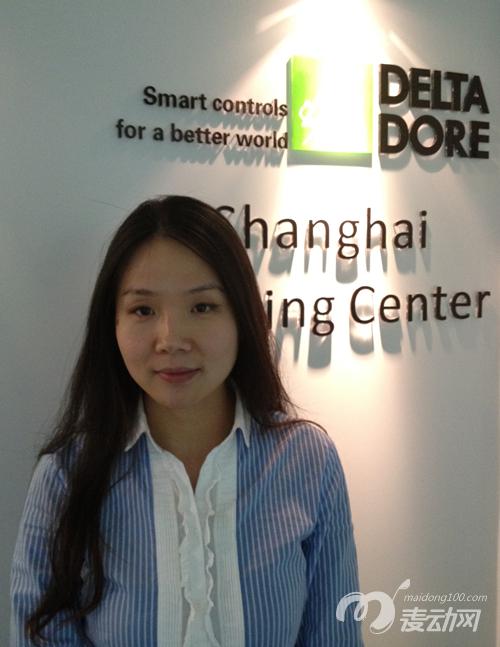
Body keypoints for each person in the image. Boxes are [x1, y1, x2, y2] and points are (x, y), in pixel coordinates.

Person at [10, 195, 364, 646]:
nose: (171, 339)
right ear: (112, 324)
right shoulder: (66, 476)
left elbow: (335, 635)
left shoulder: (307, 462)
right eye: (143, 310)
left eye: (202, 307)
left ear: (241, 317)